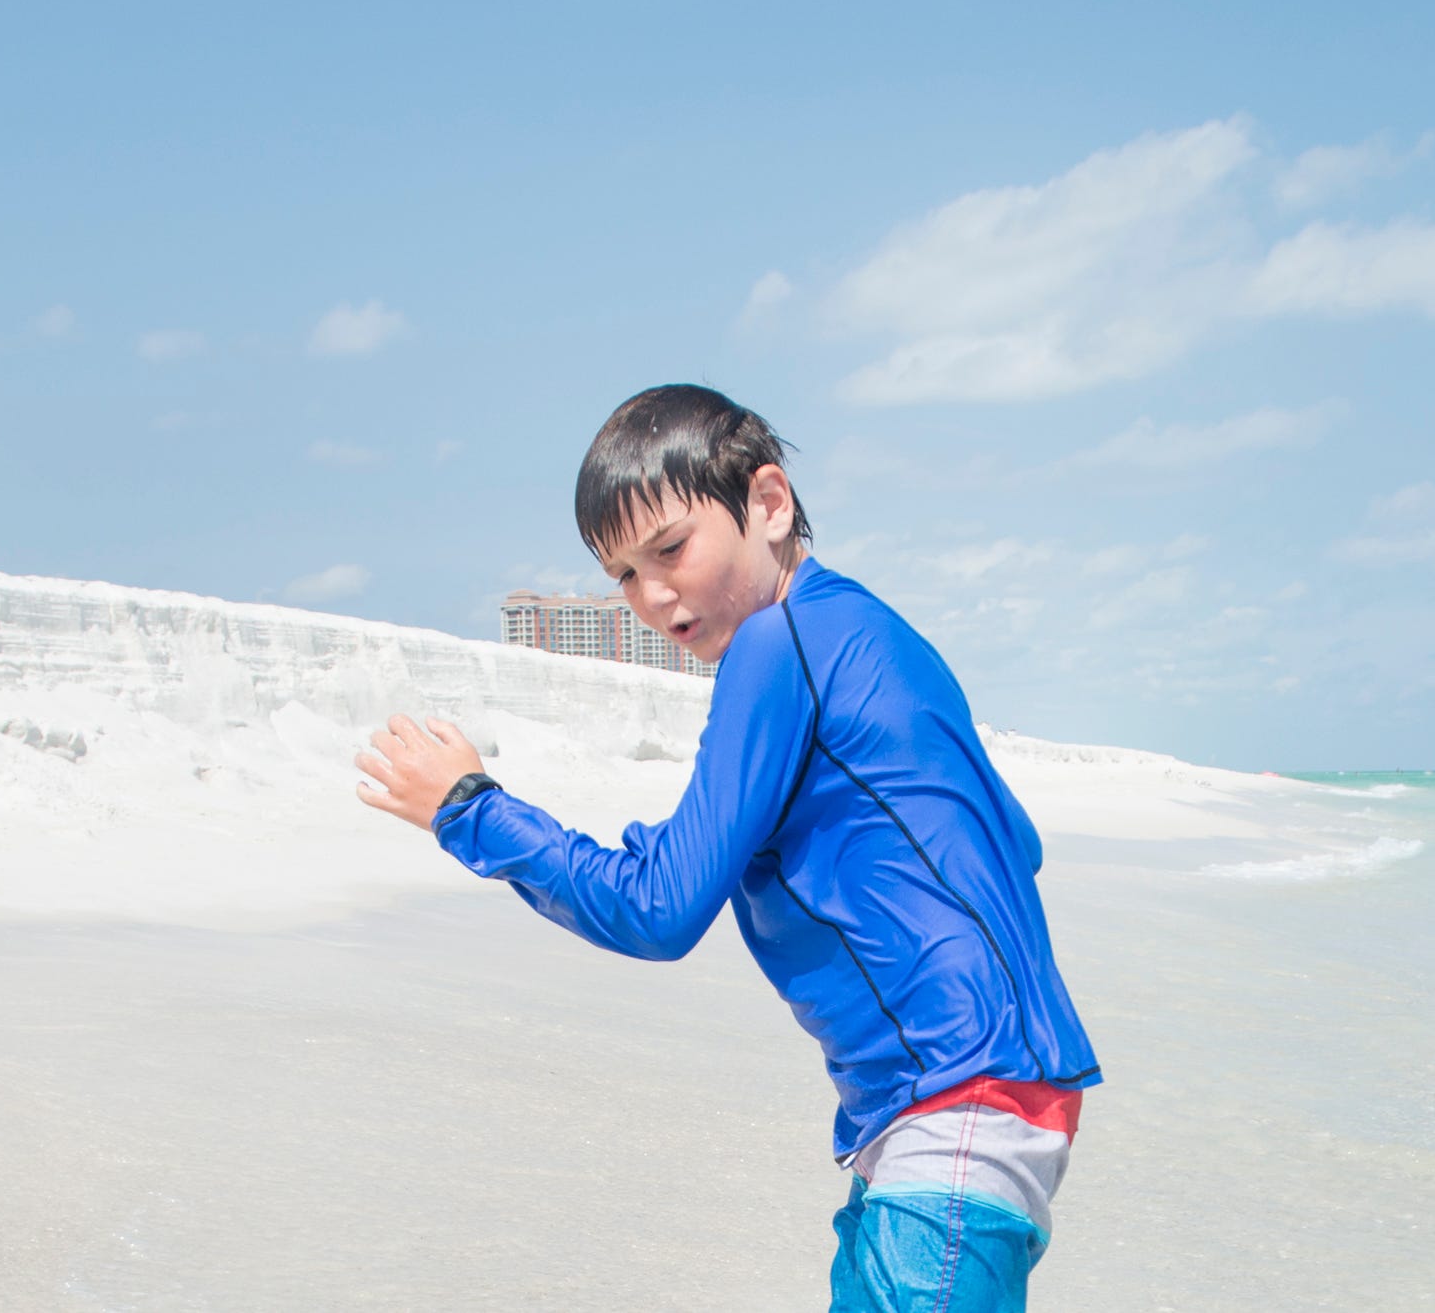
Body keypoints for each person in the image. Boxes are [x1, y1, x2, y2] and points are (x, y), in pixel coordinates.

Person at [354, 383, 1101, 1311]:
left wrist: (469, 809)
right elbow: (1012, 842)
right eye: (623, 573)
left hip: (951, 1109)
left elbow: (658, 908)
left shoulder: (776, 645)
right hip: (978, 1104)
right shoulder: (867, 629)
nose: (653, 594)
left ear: (769, 503)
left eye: (670, 548)